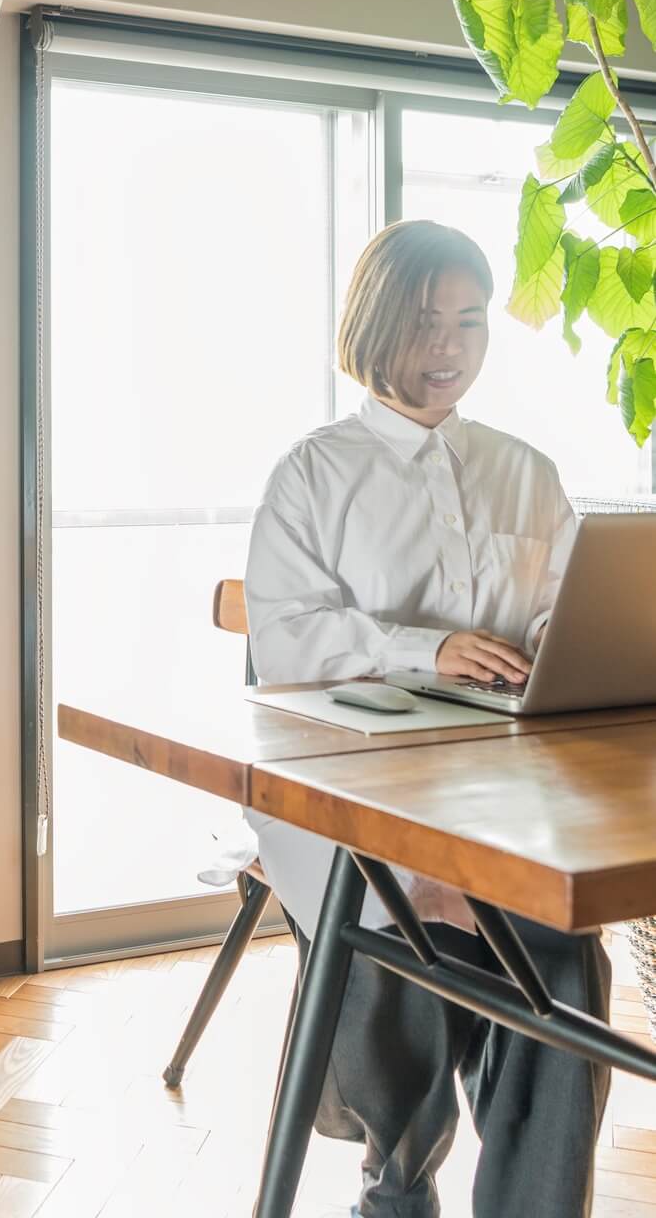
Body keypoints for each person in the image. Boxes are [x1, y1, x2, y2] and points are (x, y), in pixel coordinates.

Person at [243, 220, 610, 1218]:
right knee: (395, 904)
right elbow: (286, 641)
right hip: (349, 778)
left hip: (501, 778)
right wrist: (424, 646)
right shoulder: (313, 475)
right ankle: (394, 1184)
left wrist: (557, 636)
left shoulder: (525, 470)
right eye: (422, 320)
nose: (446, 346)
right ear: (372, 325)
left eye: (468, 321)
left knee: (567, 951)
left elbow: (561, 603)